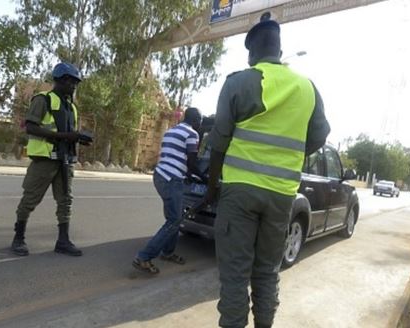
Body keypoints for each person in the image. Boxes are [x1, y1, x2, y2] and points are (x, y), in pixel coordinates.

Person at [202, 19, 331, 328]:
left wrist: (211, 187)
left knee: (235, 275)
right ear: (280, 49)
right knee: (267, 272)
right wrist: (288, 157)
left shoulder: (239, 82)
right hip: (282, 196)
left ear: (253, 52)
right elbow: (318, 136)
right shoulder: (307, 88)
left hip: (239, 192)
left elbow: (218, 141)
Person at [11, 62, 88, 257]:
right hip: (45, 159)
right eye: (71, 82)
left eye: (76, 83)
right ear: (60, 80)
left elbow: (67, 132)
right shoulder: (43, 99)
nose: (74, 86)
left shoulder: (72, 107)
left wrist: (78, 137)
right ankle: (18, 238)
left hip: (65, 160)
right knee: (30, 199)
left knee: (65, 200)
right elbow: (30, 127)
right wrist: (64, 137)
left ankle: (63, 241)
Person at [133, 107, 206, 274]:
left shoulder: (171, 131)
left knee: (174, 217)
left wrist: (187, 174)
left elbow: (175, 157)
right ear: (196, 121)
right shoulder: (192, 134)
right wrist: (206, 179)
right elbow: (192, 164)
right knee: (174, 221)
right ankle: (144, 257)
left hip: (160, 175)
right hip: (172, 179)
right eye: (199, 122)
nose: (199, 125)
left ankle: (168, 252)